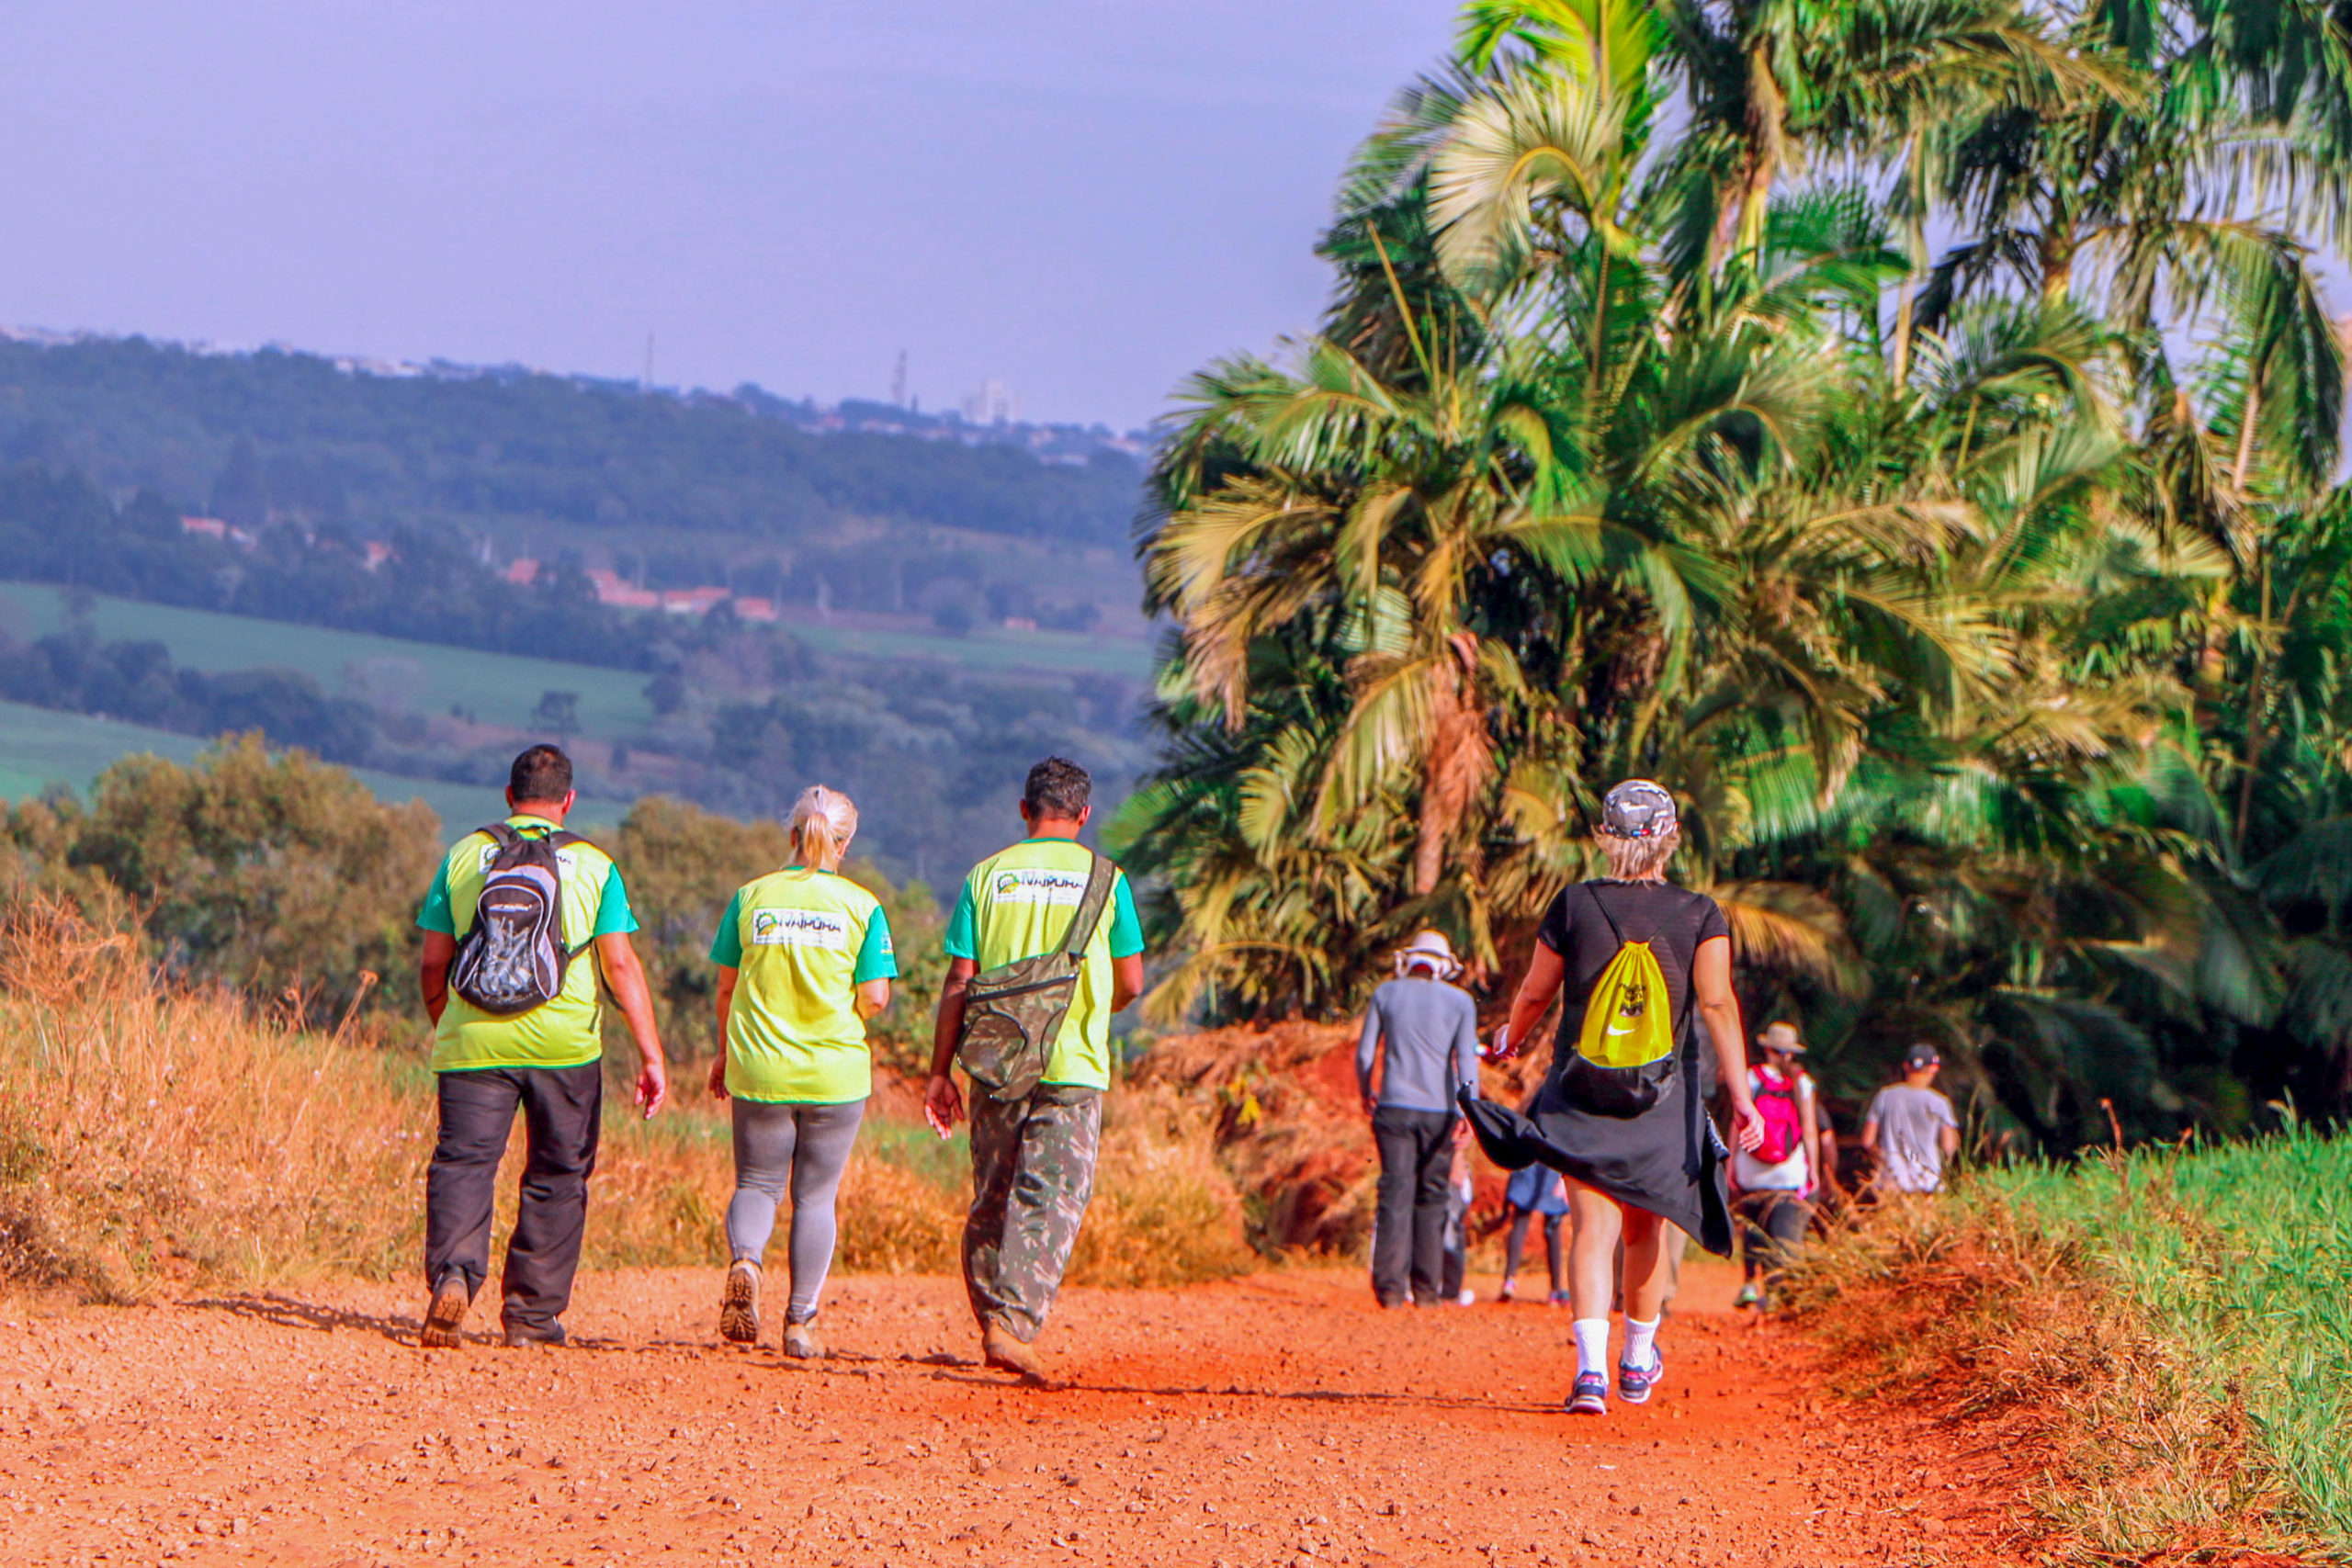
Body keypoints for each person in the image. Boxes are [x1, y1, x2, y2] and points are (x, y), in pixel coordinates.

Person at [1476, 779, 1763, 1416]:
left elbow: (1534, 991)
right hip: (1664, 1098)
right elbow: (1716, 1003)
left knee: (1591, 1227)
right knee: (1644, 1228)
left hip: (1582, 1091)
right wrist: (1741, 1095)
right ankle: (1636, 1356)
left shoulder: (1574, 904)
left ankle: (1588, 1374)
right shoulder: (1700, 913)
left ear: (1605, 837)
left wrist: (1509, 1040)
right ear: (1670, 838)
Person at [415, 745, 667, 1349]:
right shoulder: (594, 864)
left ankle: (453, 1274)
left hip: (473, 1040)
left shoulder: (463, 853)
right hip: (566, 1047)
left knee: (466, 1162)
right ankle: (530, 1315)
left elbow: (432, 960)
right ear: (568, 801)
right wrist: (651, 1053)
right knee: (558, 1171)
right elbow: (621, 965)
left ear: (509, 795)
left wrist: (447, 1019)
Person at [923, 756, 1146, 1383]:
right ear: (1084, 814)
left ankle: (994, 1316)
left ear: (1024, 811)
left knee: (993, 1191)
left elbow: (959, 981)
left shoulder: (986, 876)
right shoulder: (1109, 879)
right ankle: (1014, 1323)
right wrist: (1092, 1003)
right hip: (1073, 1061)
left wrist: (939, 1072)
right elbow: (1131, 979)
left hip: (996, 1062)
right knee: (1052, 1192)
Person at [707, 785, 896, 1359]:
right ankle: (800, 1323)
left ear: (791, 835)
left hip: (760, 1066)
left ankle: (746, 1262)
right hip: (834, 1072)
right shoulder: (863, 906)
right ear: (846, 843)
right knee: (816, 1196)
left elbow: (725, 987)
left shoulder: (750, 898)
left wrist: (723, 1053)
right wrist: (849, 1013)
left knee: (756, 1184)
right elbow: (878, 997)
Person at [1355, 930, 1482, 1307]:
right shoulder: (1461, 1002)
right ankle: (1427, 1292)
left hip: (1393, 1107)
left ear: (1407, 960)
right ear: (1444, 967)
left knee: (1395, 1193)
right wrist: (1468, 1111)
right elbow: (1466, 1060)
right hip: (1441, 1113)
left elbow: (1365, 1056)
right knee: (1432, 1196)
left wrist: (1367, 1092)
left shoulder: (1386, 993)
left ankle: (1391, 1291)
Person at [1731, 1021, 1830, 1309]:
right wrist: (1812, 1169)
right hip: (1789, 1172)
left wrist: (1731, 1164)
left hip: (1751, 1169)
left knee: (1753, 1226)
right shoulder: (1802, 1082)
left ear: (1767, 1048)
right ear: (1791, 1052)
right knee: (1784, 1234)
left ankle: (1750, 1282)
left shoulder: (1750, 1078)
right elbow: (1809, 1130)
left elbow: (1737, 1126)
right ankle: (1778, 1295)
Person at [1862, 1043, 1960, 1193]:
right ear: (1934, 1068)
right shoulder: (1940, 1103)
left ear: (1906, 1066)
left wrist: (1882, 1161)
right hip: (1928, 1185)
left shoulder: (1885, 1095)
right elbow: (1949, 1147)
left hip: (1891, 1185)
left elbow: (1867, 1141)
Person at [1498, 1164, 1568, 1304]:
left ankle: (1509, 1281)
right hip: (1553, 1164)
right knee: (1553, 1228)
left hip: (1528, 1160)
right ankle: (1555, 1291)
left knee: (1520, 1220)